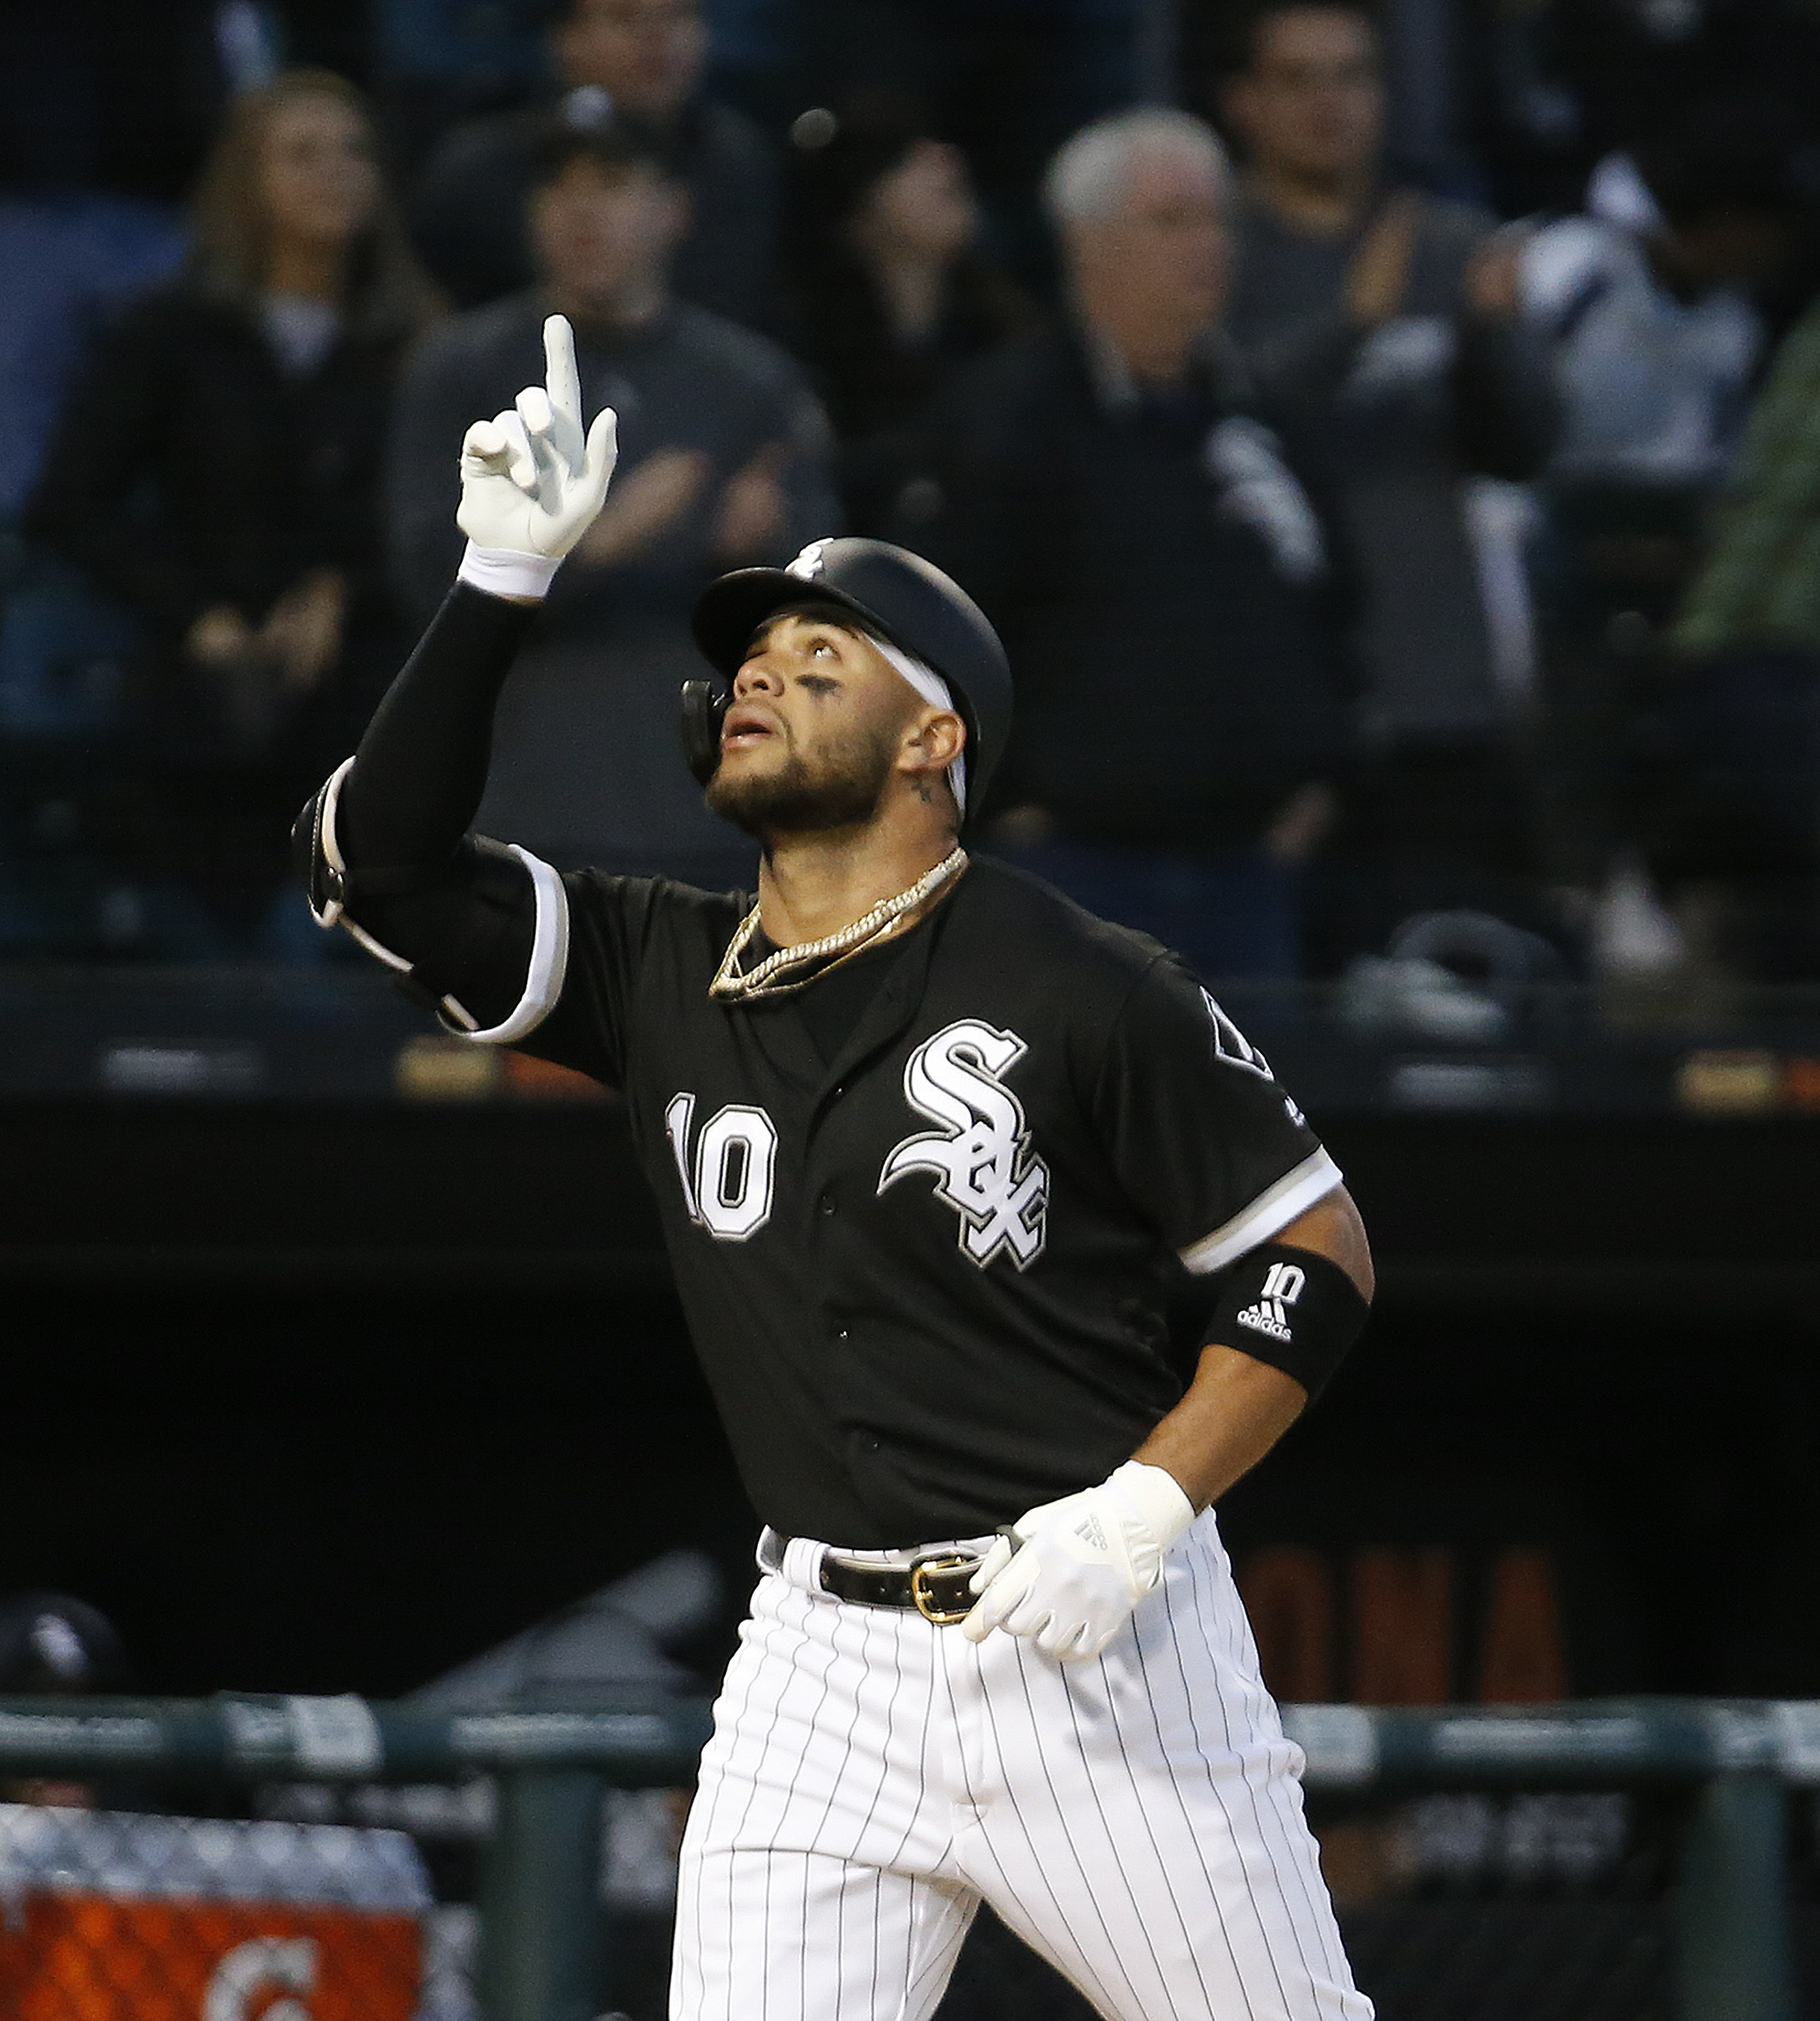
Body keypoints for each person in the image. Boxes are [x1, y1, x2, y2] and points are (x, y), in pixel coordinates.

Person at [296, 312, 1376, 2021]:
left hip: (1088, 1636)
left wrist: (1147, 1505)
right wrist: (501, 580)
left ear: (933, 740)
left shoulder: (1082, 977)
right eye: (750, 655)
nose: (760, 676)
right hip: (819, 1656)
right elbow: (380, 862)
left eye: (821, 659)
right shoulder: (662, 965)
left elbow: (1312, 1248)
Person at [912, 109, 1348, 978]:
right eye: (1172, 220)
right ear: (1088, 244)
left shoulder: (1262, 417)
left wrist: (1313, 783)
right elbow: (940, 638)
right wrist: (1016, 804)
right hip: (1069, 869)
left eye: (1215, 218)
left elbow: (1338, 609)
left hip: (1247, 873)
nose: (1207, 245)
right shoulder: (1008, 420)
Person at [26, 69, 437, 957]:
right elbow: (68, 504)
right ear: (244, 180)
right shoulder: (169, 332)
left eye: (355, 151)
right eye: (303, 153)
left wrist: (343, 589)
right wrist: (197, 615)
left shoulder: (422, 342)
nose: (336, 172)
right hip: (199, 698)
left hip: (369, 697)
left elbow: (451, 515)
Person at [387, 121, 836, 886]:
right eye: (560, 188)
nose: (582, 211)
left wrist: (756, 556)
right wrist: (605, 540)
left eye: (615, 185)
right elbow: (425, 589)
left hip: (706, 800)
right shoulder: (463, 369)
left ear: (675, 211)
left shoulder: (750, 380)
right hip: (518, 802)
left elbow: (821, 596)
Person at [1217, 0, 1559, 959]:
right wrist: (1352, 324)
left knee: (1456, 975)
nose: (1331, 103)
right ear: (1243, 101)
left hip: (1436, 680)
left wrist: (1492, 339)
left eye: (1354, 76)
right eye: (1298, 78)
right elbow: (1223, 423)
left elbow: (1528, 445)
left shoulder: (1449, 243)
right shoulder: (1216, 247)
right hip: (1277, 686)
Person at [407, 0, 779, 325]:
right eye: (626, 18)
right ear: (566, 39)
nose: (657, 39)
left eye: (677, 16)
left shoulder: (739, 159)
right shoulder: (480, 169)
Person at [779, 112, 1036, 535]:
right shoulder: (802, 336)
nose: (946, 161)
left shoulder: (1007, 331)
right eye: (904, 159)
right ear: (855, 208)